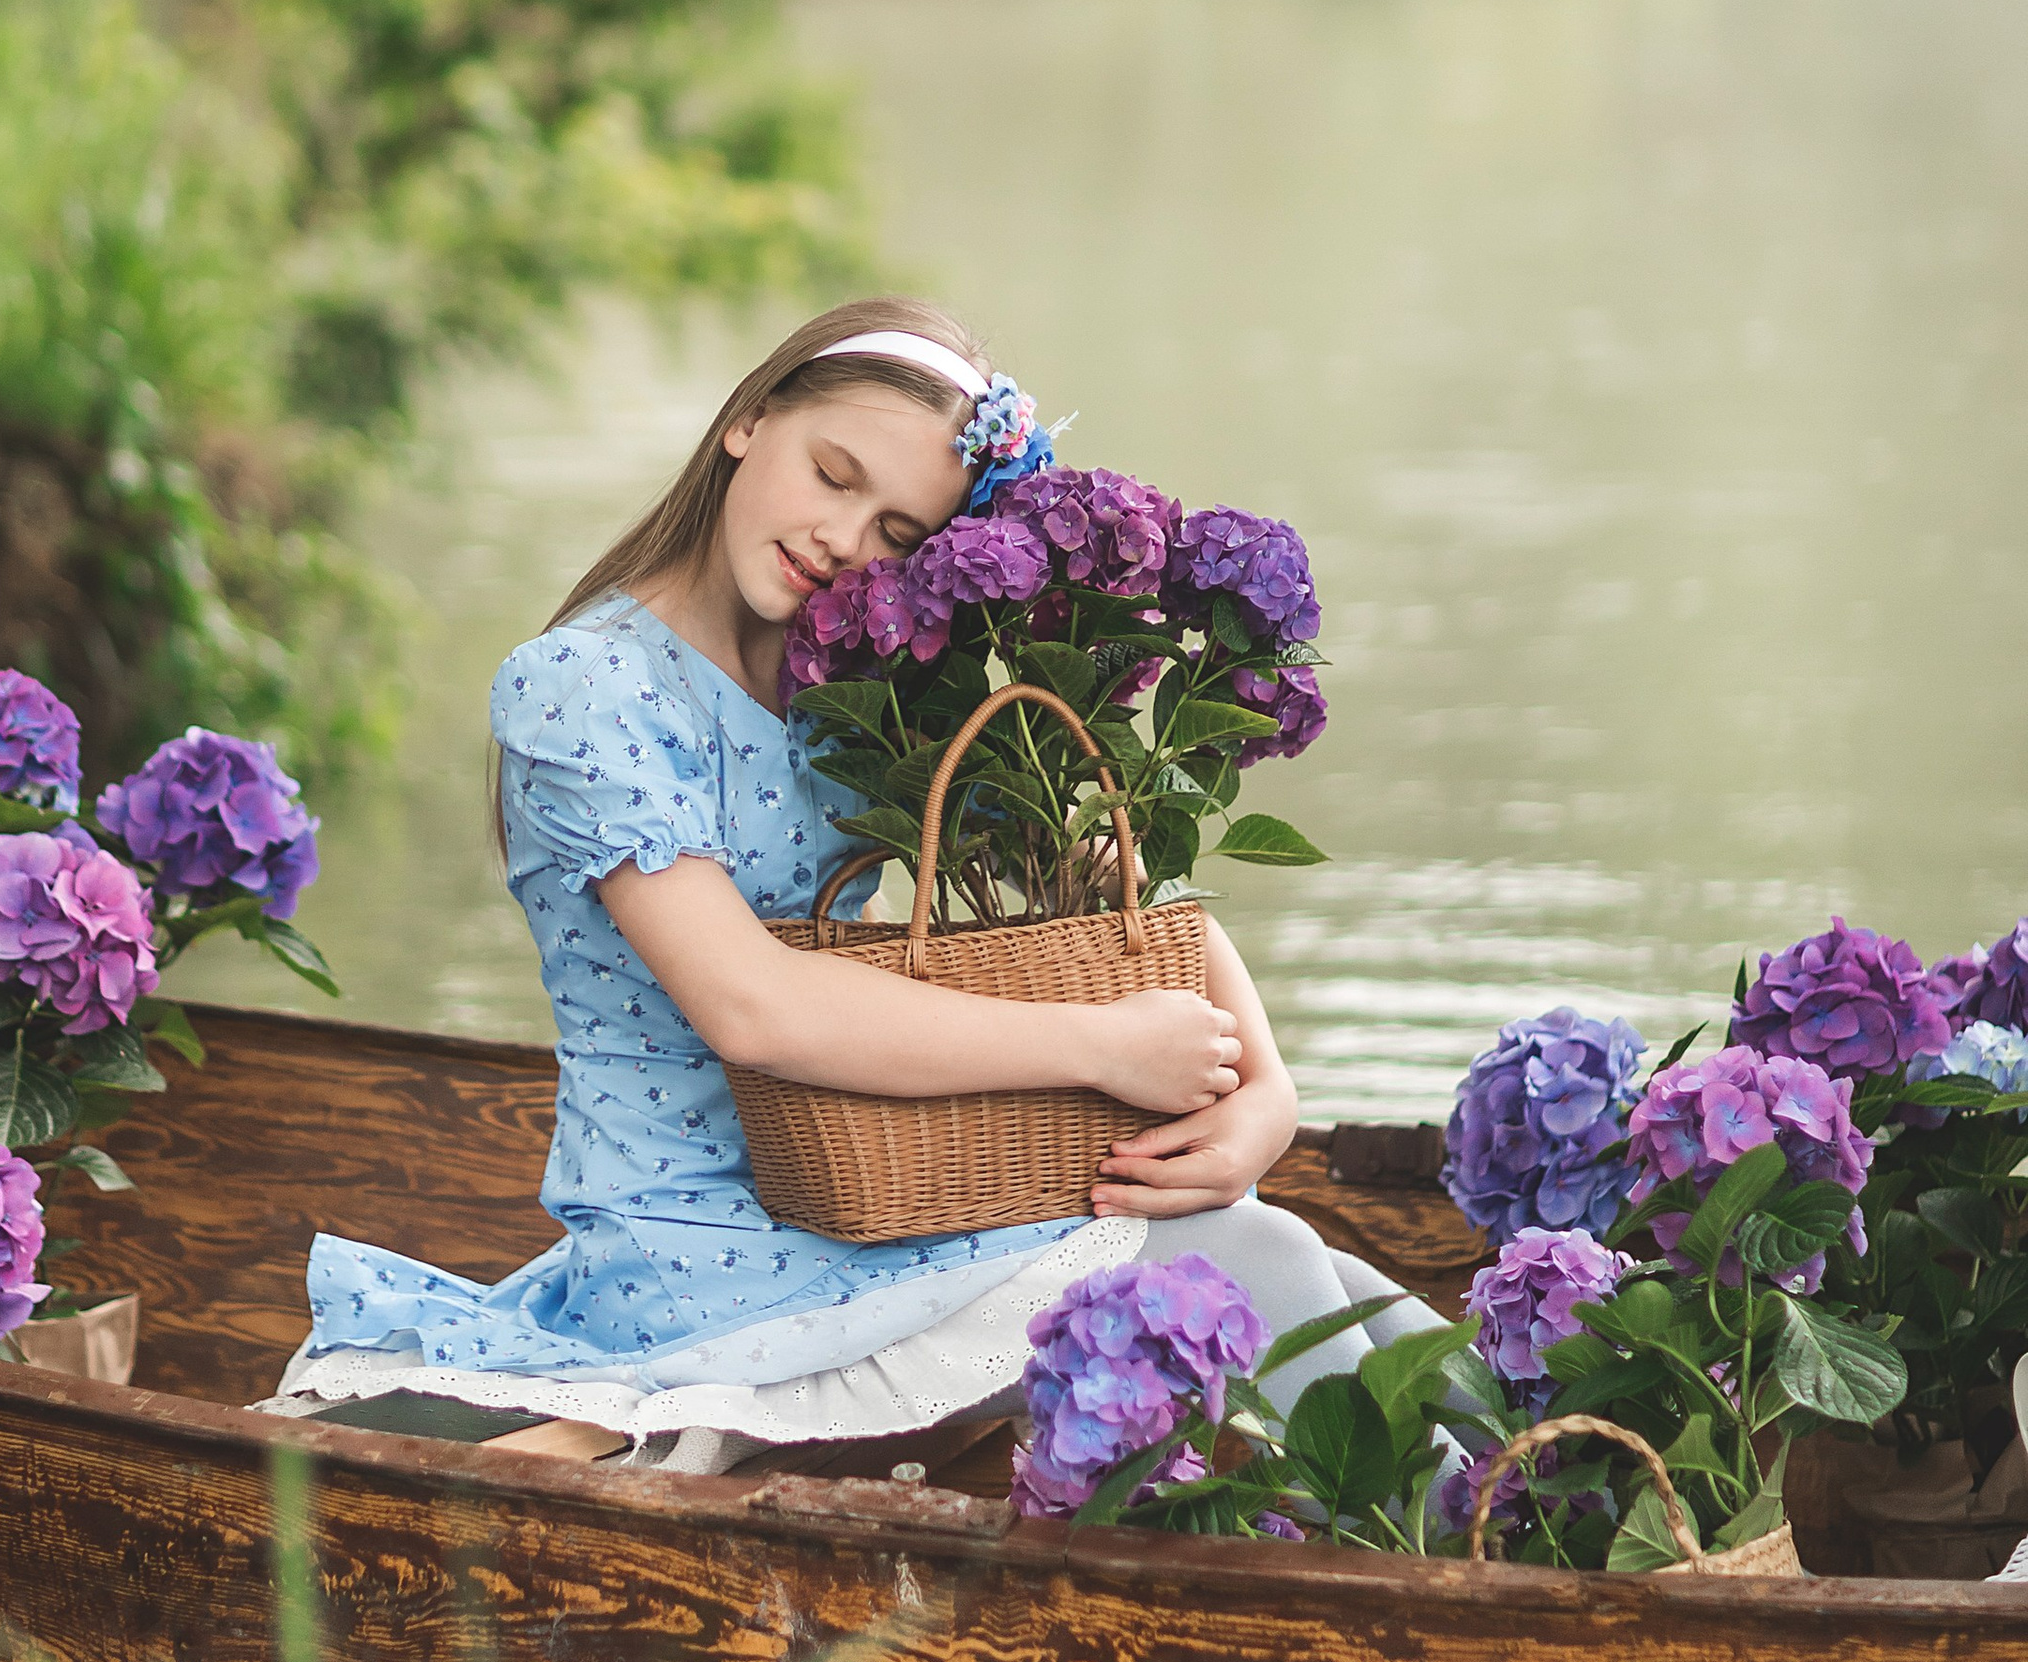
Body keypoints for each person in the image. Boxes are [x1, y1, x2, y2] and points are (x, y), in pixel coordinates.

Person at [266, 297, 1437, 1472]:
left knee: (1323, 1275)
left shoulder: (858, 687)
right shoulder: (583, 687)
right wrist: (1099, 1047)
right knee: (1261, 1265)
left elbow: (1095, 877)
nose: (842, 540)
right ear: (749, 421)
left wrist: (1265, 1089)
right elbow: (752, 1007)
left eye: (895, 532)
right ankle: (1506, 1588)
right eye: (830, 474)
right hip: (703, 1255)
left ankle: (1565, 1516)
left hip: (874, 1199)